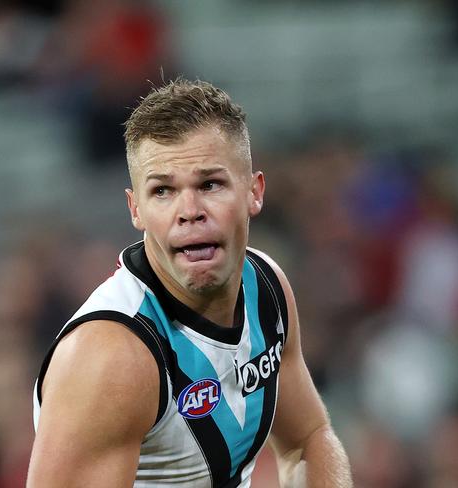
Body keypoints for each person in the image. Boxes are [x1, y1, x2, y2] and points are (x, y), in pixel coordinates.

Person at [27, 78, 352, 487]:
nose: (189, 211)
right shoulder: (113, 358)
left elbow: (307, 440)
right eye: (163, 190)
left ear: (254, 192)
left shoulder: (266, 288)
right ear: (136, 209)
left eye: (209, 184)